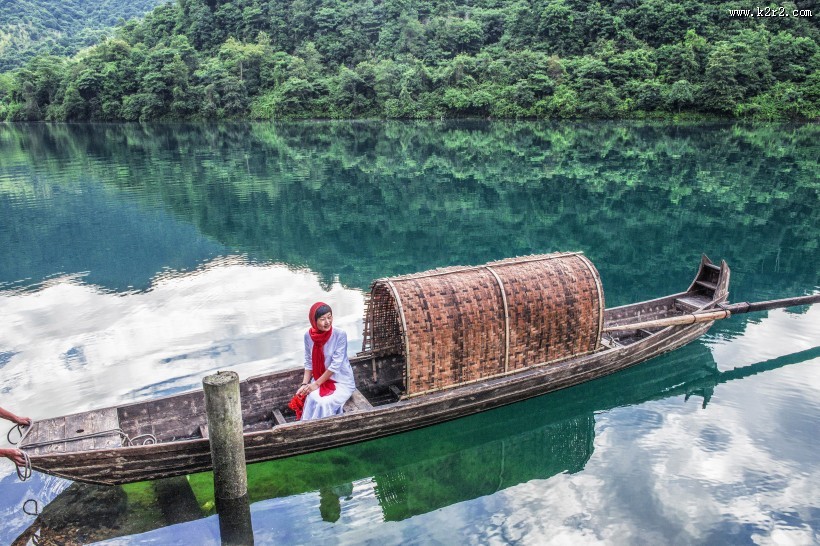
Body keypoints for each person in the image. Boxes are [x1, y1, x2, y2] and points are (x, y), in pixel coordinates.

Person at [293, 302, 356, 420]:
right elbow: (308, 361)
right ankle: (307, 427)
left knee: (323, 402)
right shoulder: (308, 335)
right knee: (311, 396)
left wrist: (316, 384)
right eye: (322, 319)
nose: (327, 322)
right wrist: (305, 384)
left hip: (341, 381)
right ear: (314, 321)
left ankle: (323, 429)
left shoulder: (340, 335)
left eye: (329, 317)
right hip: (319, 379)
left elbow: (335, 366)